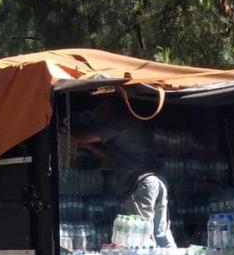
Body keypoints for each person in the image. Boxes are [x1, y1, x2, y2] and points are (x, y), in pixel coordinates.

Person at [73, 93, 177, 247]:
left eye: (97, 109)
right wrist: (88, 146)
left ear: (107, 104)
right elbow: (111, 156)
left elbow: (86, 136)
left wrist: (71, 136)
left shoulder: (120, 120)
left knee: (142, 234)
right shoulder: (127, 124)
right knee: (161, 232)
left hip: (140, 183)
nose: (95, 115)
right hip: (155, 180)